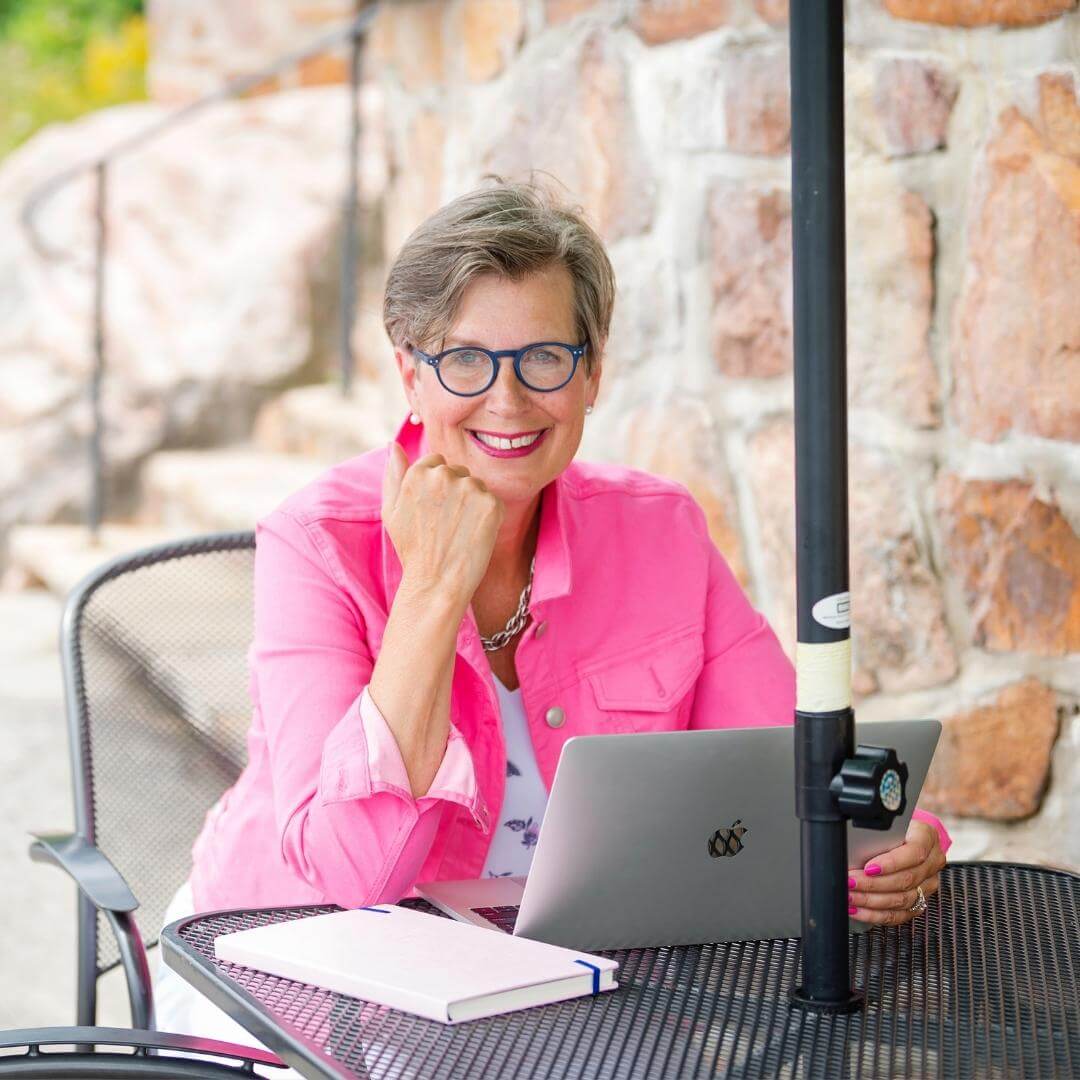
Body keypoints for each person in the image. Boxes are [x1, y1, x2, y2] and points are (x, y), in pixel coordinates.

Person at [155, 180, 950, 1045]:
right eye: (465, 359)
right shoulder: (314, 543)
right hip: (294, 973)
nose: (508, 401)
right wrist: (431, 591)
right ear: (409, 375)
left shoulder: (660, 529)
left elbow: (786, 777)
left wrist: (889, 850)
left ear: (593, 371)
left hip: (575, 986)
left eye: (546, 358)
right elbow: (355, 871)